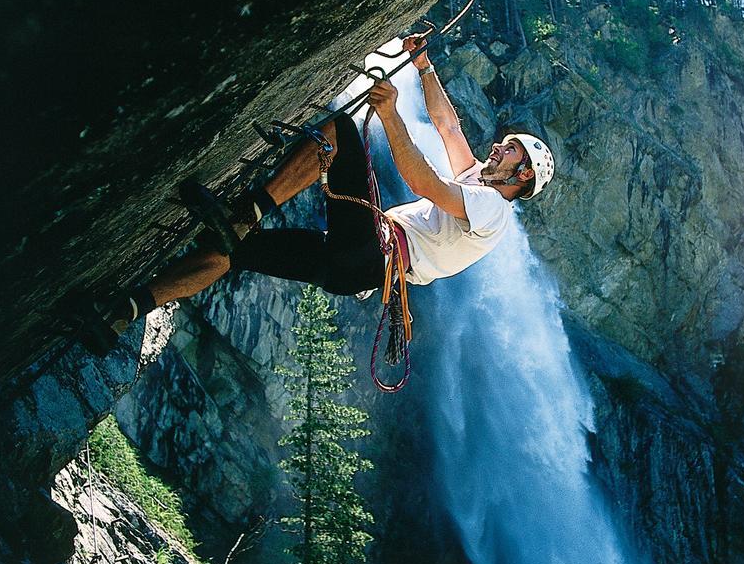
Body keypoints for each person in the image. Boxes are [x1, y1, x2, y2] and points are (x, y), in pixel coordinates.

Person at [78, 35, 554, 354]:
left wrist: (391, 115)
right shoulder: (477, 183)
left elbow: (424, 185)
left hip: (374, 254)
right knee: (231, 252)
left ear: (523, 176)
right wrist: (425, 67)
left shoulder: (492, 209)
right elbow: (448, 126)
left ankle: (252, 210)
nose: (498, 146)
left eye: (510, 150)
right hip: (355, 268)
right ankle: (124, 312)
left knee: (341, 130)